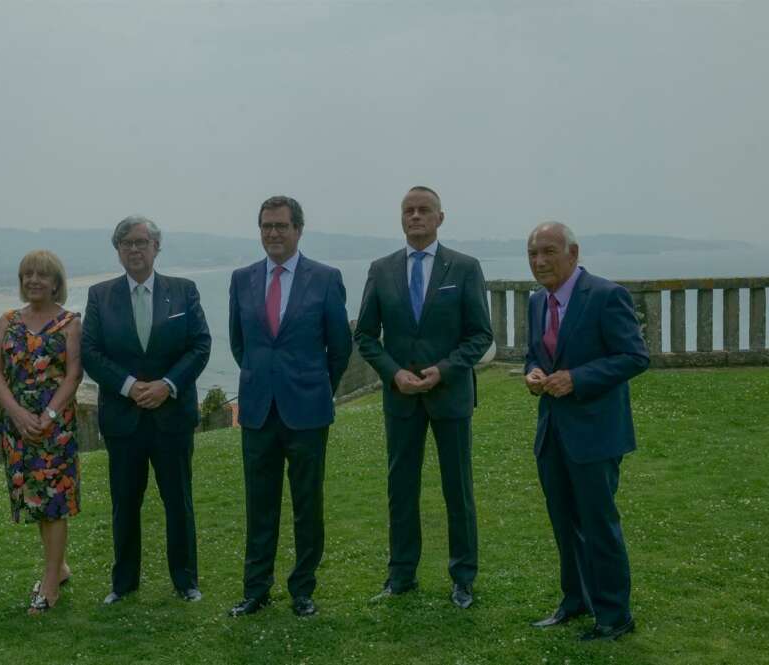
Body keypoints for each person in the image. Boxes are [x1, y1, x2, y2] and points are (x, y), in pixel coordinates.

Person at [354, 186, 493, 609]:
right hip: (401, 400)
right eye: (408, 211)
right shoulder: (382, 269)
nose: (416, 216)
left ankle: (463, 577)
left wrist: (445, 370)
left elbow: (481, 334)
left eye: (424, 210)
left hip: (449, 396)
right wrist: (393, 373)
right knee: (401, 488)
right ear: (401, 218)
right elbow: (364, 335)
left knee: (458, 489)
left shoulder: (465, 268)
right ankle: (401, 576)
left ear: (440, 218)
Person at [227, 195, 352, 618]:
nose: (273, 233)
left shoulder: (325, 278)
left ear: (298, 230)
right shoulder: (241, 279)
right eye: (266, 226)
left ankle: (303, 589)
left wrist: (316, 387)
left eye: (281, 226)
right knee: (258, 504)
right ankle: (255, 589)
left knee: (307, 504)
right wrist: (265, 380)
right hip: (259, 409)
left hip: (308, 411)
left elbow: (339, 347)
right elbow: (240, 345)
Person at [523, 222, 648, 641]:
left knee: (598, 524)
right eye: (533, 253)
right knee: (564, 522)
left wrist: (577, 378)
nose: (540, 261)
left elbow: (633, 356)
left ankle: (614, 615)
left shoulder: (607, 296)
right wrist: (533, 374)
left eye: (549, 251)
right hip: (553, 433)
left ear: (572, 253)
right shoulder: (537, 302)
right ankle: (575, 600)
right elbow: (533, 355)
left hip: (596, 434)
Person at [82, 216, 211, 605]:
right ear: (117, 250)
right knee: (124, 503)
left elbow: (200, 346)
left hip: (171, 417)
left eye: (141, 242)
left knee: (178, 500)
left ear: (157, 247)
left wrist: (166, 385)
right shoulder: (99, 295)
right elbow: (90, 352)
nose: (134, 249)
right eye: (126, 243)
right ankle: (123, 584)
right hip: (124, 419)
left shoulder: (183, 291)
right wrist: (129, 387)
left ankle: (186, 581)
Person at [0, 249, 83, 614]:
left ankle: (50, 584)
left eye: (42, 275)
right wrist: (16, 414)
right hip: (16, 425)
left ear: (57, 281)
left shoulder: (70, 322)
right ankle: (59, 568)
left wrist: (48, 414)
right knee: (35, 500)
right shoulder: (8, 319)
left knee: (53, 502)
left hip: (53, 427)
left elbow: (74, 374)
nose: (34, 281)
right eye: (27, 274)